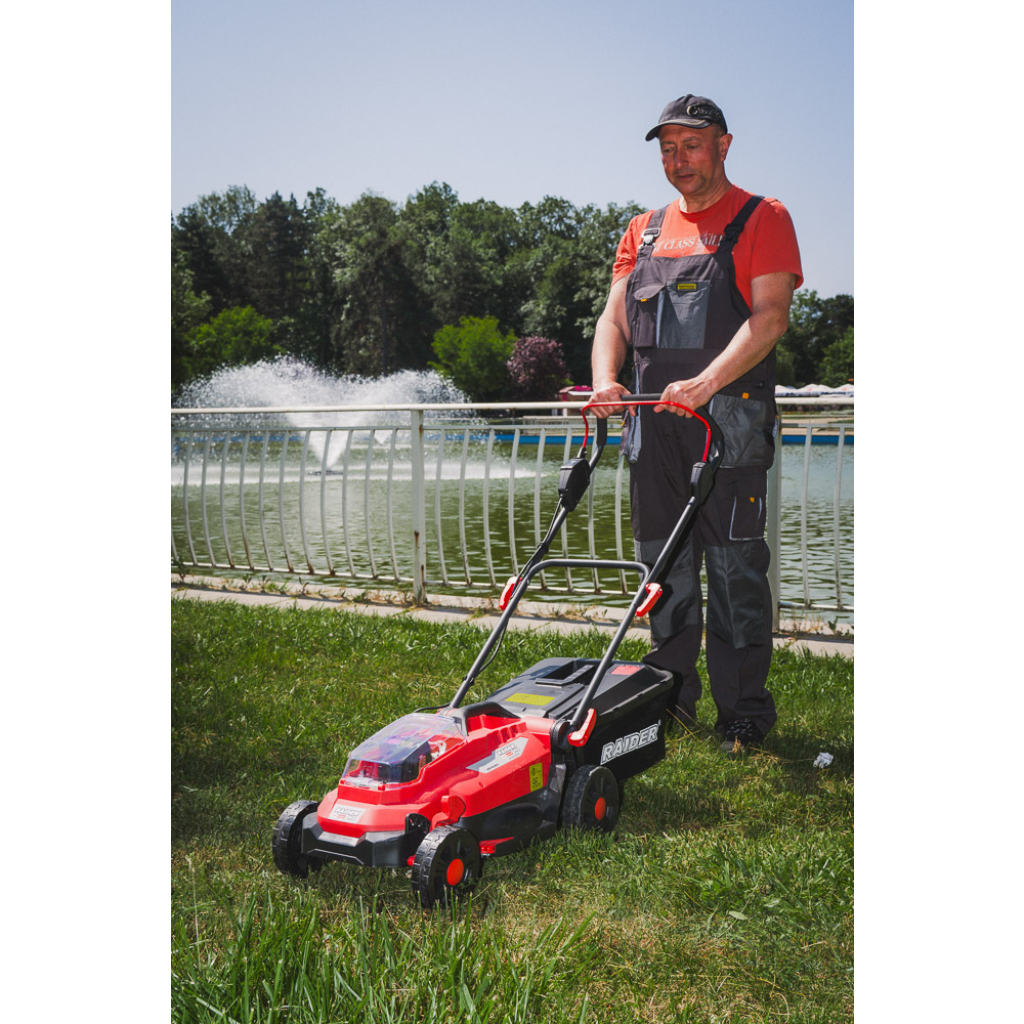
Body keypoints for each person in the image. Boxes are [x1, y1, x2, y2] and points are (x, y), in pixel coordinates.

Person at [589, 94, 803, 754]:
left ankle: (743, 713)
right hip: (653, 432)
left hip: (727, 425)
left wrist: (706, 384)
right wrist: (604, 379)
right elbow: (612, 319)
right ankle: (669, 698)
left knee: (735, 569)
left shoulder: (762, 216)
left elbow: (770, 316)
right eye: (668, 148)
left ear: (723, 146)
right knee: (662, 568)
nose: (679, 159)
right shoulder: (643, 230)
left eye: (692, 144)